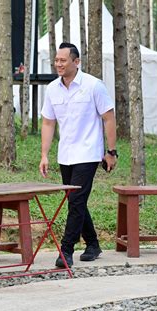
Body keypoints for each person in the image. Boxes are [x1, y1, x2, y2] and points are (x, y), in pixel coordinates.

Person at [39, 42, 117, 268]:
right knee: (75, 201)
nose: (58, 64)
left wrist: (111, 152)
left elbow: (109, 118)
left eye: (63, 60)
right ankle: (93, 243)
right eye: (56, 60)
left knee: (76, 201)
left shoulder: (93, 85)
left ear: (76, 62)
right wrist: (45, 155)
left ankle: (66, 251)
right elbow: (48, 122)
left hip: (89, 153)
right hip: (66, 154)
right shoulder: (53, 88)